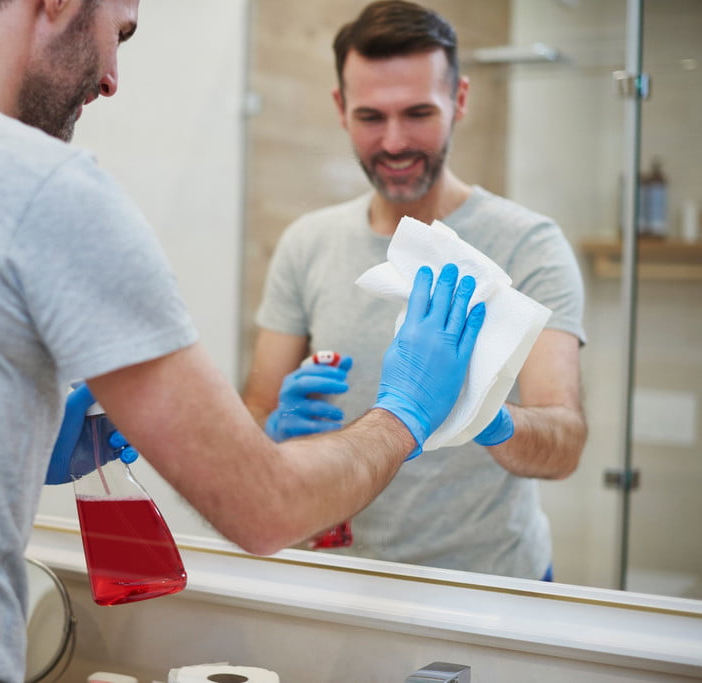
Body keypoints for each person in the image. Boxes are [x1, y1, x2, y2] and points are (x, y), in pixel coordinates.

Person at [0, 1, 486, 680]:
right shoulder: (47, 185)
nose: (111, 78)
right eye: (120, 32)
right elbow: (265, 508)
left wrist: (9, 438)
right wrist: (405, 411)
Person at [242, 0, 587, 580]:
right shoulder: (308, 243)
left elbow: (565, 444)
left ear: (460, 99)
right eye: (371, 117)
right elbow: (256, 407)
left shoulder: (529, 244)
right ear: (340, 108)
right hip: (340, 580)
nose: (395, 141)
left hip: (488, 584)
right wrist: (274, 431)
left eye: (418, 113)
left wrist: (485, 416)